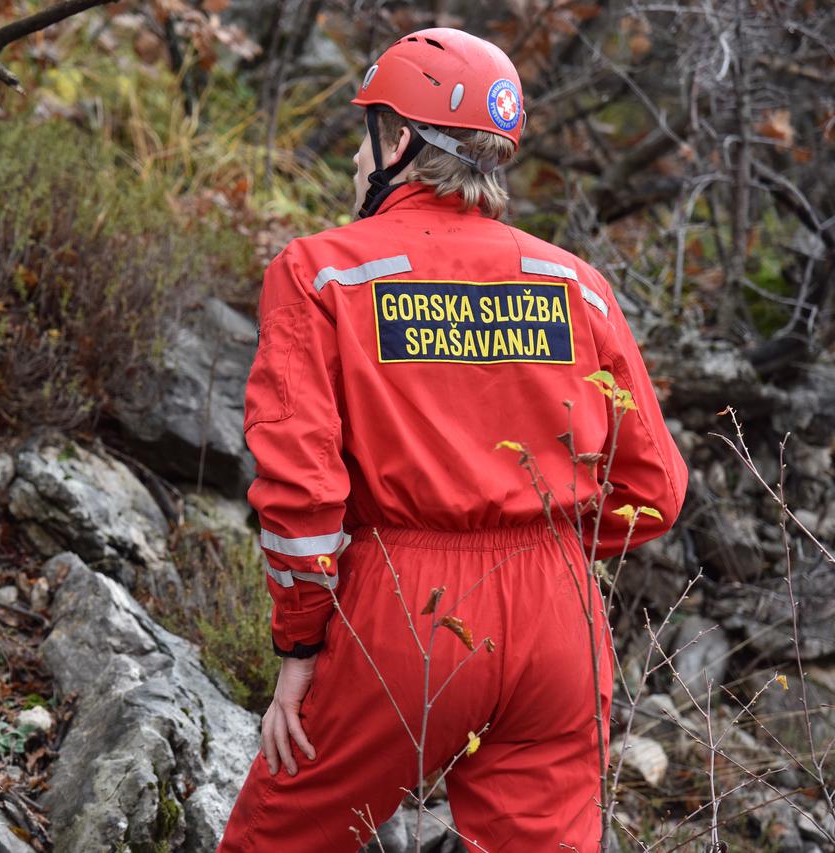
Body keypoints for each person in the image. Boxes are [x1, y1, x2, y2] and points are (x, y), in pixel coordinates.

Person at [219, 27, 688, 852]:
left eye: (369, 139)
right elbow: (655, 489)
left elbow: (301, 496)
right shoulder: (577, 284)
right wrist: (553, 548)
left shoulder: (321, 272)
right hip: (560, 617)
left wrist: (299, 642)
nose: (358, 164)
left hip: (404, 607)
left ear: (400, 142)